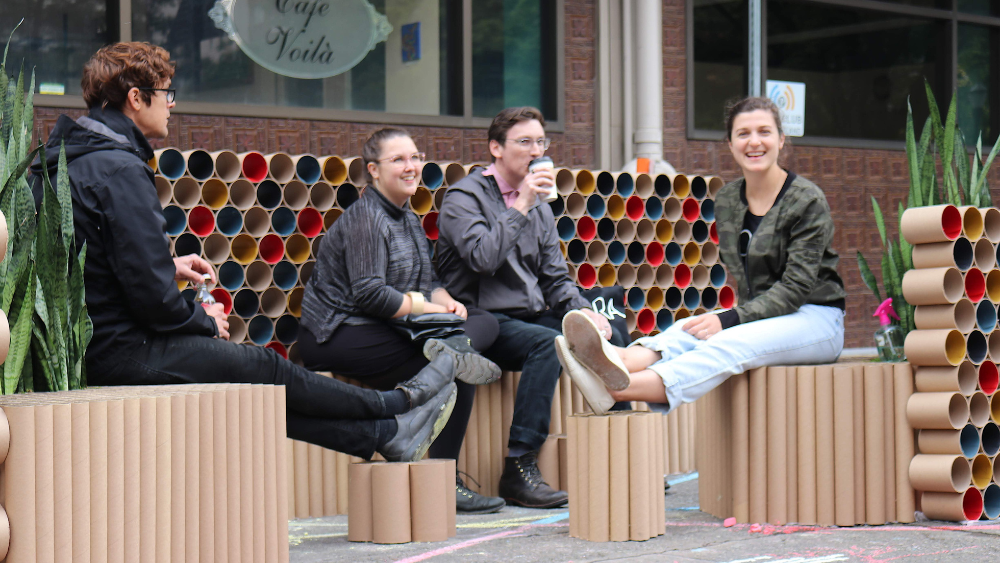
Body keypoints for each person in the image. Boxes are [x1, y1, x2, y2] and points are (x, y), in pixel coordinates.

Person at [29, 42, 458, 464]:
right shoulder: (119, 168)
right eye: (166, 93)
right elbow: (153, 301)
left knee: (252, 390)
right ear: (136, 99)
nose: (172, 105)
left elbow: (95, 262)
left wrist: (169, 265)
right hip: (122, 348)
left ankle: (386, 434)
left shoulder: (65, 160)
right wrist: (202, 319)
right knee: (262, 366)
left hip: (89, 344)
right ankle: (393, 405)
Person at [556, 96, 846, 413]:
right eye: (743, 133)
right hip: (763, 316)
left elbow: (796, 287)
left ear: (781, 139)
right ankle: (620, 359)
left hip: (817, 317)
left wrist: (731, 319)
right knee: (689, 328)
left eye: (764, 132)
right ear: (731, 143)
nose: (754, 142)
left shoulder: (806, 199)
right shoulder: (729, 200)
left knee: (725, 340)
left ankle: (618, 390)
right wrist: (730, 318)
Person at [298, 127, 506, 514]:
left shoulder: (407, 217)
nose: (411, 167)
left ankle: (447, 353)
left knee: (483, 323)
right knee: (456, 367)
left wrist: (447, 303)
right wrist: (433, 311)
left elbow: (430, 281)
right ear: (374, 170)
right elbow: (370, 295)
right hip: (339, 331)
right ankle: (445, 480)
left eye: (415, 157)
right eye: (399, 160)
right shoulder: (367, 219)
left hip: (393, 325)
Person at [436, 107, 620, 509]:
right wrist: (520, 204)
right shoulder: (463, 198)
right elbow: (482, 258)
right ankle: (519, 467)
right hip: (483, 319)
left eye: (541, 142)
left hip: (530, 314)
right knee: (547, 344)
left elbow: (555, 278)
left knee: (612, 334)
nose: (535, 151)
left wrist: (583, 312)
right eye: (524, 142)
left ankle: (619, 454)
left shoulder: (537, 203)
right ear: (495, 149)